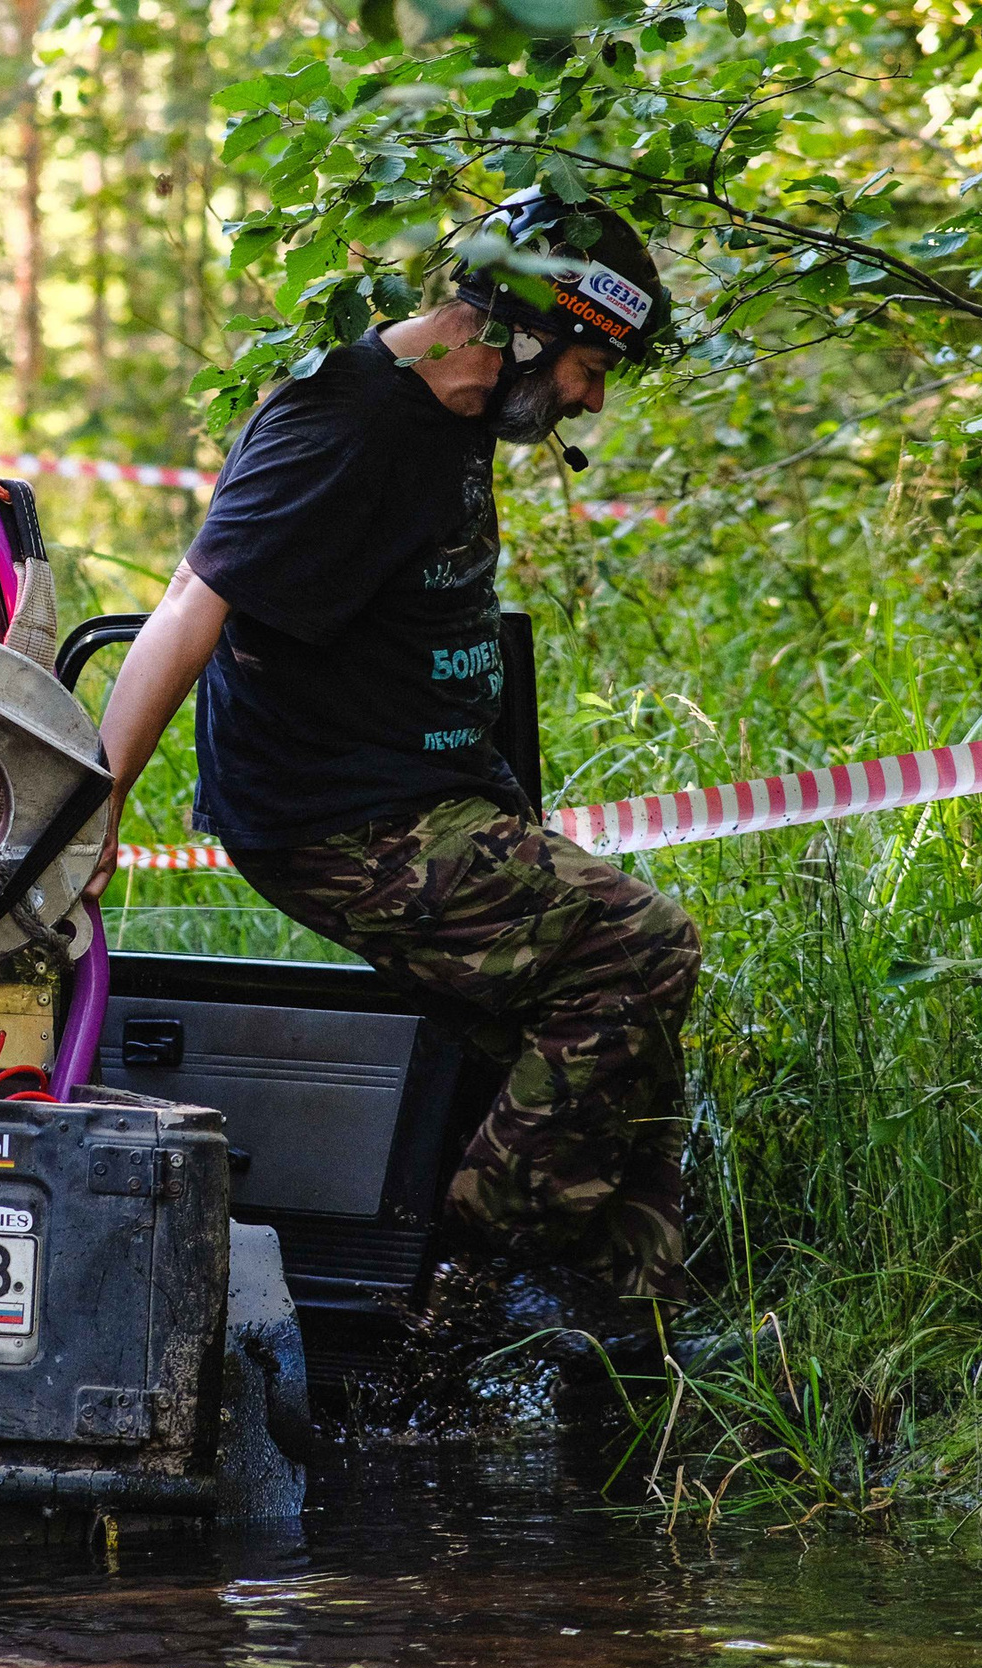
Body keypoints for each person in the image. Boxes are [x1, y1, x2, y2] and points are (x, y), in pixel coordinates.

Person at [87, 191, 701, 1319]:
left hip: (431, 792)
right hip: (341, 817)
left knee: (613, 1047)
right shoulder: (341, 425)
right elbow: (188, 602)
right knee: (639, 946)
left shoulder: (461, 408)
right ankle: (466, 1288)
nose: (589, 395)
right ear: (520, 326)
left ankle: (629, 1321)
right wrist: (101, 798)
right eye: (587, 364)